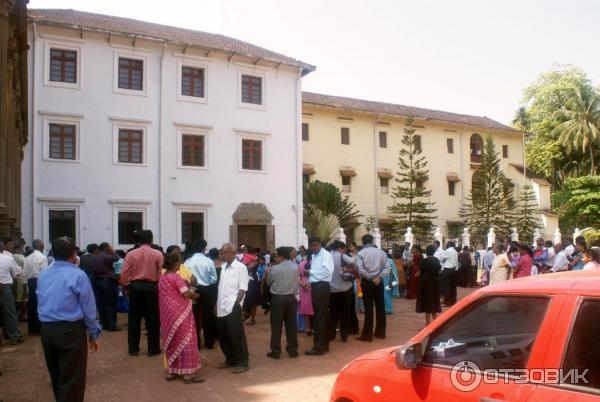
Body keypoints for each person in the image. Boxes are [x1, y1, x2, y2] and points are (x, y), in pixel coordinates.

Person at [37, 237, 101, 402]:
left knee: (57, 375)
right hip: (70, 330)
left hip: (47, 330)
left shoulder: (44, 274)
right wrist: (93, 333)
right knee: (72, 379)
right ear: (74, 255)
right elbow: (89, 308)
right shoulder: (78, 275)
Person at [159, 252, 204, 383]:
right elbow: (186, 293)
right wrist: (195, 296)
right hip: (181, 314)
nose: (180, 264)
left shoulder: (162, 278)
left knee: (173, 341)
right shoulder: (175, 277)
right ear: (174, 264)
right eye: (179, 262)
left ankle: (172, 372)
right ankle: (188, 374)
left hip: (168, 316)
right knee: (187, 341)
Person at [120, 230, 164, 357]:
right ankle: (153, 349)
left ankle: (133, 348)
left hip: (135, 286)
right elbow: (160, 272)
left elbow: (124, 273)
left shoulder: (131, 254)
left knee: (134, 318)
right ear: (151, 240)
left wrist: (126, 286)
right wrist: (158, 287)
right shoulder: (157, 254)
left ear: (138, 241)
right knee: (153, 319)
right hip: (151, 287)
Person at [217, 243, 250, 373]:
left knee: (237, 335)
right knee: (223, 335)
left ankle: (242, 362)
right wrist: (216, 304)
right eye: (222, 252)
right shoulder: (223, 266)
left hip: (233, 306)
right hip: (221, 306)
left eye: (225, 252)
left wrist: (237, 304)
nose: (223, 255)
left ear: (233, 253)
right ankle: (230, 359)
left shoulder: (241, 268)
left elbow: (243, 288)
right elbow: (221, 287)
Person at [266, 246, 300, 359]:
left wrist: (267, 273)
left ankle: (275, 351)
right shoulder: (296, 267)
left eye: (276, 256)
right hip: (291, 298)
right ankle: (293, 350)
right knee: (291, 325)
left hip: (278, 299)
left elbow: (269, 283)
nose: (275, 258)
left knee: (276, 326)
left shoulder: (275, 269)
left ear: (281, 257)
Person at [356, 234, 391, 342]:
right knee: (380, 307)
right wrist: (379, 277)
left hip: (367, 282)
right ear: (372, 241)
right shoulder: (381, 252)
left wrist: (369, 277)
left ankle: (367, 335)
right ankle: (380, 333)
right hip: (378, 282)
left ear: (363, 242)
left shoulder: (360, 253)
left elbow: (360, 269)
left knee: (368, 308)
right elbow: (388, 268)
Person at [185, 239, 218, 349]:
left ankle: (196, 343)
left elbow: (185, 278)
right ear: (204, 248)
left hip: (193, 289)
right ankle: (209, 341)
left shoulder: (188, 261)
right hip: (208, 290)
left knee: (194, 316)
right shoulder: (209, 261)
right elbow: (214, 279)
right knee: (208, 316)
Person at [305, 236, 334, 355]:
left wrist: (310, 273)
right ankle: (324, 344)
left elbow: (327, 271)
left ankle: (319, 347)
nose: (314, 247)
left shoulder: (325, 254)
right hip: (316, 286)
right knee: (320, 315)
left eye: (316, 245)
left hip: (322, 286)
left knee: (319, 316)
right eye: (312, 245)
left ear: (320, 244)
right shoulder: (313, 256)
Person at [328, 241, 354, 343]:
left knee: (333, 313)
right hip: (345, 288)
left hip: (332, 289)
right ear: (341, 248)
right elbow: (353, 261)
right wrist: (355, 253)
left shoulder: (329, 256)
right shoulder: (342, 256)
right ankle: (344, 336)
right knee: (345, 313)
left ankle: (331, 335)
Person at [0, 239, 24, 344]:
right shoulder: (8, 258)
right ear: (2, 247)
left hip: (4, 287)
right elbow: (16, 274)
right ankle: (14, 335)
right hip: (4, 287)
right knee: (10, 313)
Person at [93, 242, 120, 332]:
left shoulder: (96, 257)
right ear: (105, 248)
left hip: (98, 281)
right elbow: (116, 258)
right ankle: (111, 325)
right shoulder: (105, 256)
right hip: (107, 281)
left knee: (101, 304)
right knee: (111, 303)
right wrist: (112, 251)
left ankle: (104, 324)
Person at [24, 239, 48, 335]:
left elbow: (24, 274)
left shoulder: (27, 258)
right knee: (40, 305)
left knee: (32, 305)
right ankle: (39, 329)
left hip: (30, 282)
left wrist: (26, 287)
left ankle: (31, 329)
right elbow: (45, 274)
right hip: (39, 282)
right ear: (42, 247)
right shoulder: (43, 257)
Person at [416, 245, 442, 325]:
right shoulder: (436, 260)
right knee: (433, 301)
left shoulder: (425, 261)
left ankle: (429, 324)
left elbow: (418, 273)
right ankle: (434, 323)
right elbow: (439, 271)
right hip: (435, 283)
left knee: (427, 303)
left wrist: (414, 275)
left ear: (426, 252)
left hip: (426, 284)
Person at [297, 253, 313, 334]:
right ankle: (314, 328)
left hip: (304, 288)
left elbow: (298, 277)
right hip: (313, 288)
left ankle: (308, 328)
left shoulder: (301, 263)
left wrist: (302, 285)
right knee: (315, 309)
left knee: (305, 309)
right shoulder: (315, 263)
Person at [441, 241, 459, 306]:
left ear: (449, 244)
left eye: (446, 244)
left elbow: (442, 259)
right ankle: (453, 301)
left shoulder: (448, 250)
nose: (446, 245)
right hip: (454, 270)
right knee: (453, 286)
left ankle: (447, 301)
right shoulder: (455, 251)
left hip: (447, 269)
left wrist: (444, 261)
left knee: (447, 286)